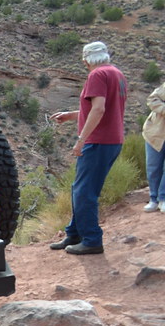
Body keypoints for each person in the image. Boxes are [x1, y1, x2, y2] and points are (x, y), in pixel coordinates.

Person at [48, 41, 128, 255]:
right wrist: (72, 115)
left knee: (84, 192)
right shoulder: (116, 73)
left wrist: (81, 139)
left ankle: (92, 239)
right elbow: (102, 107)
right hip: (112, 140)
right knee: (80, 188)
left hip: (98, 141)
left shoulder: (97, 75)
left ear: (85, 60)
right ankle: (74, 233)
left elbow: (99, 109)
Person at [141, 80, 165, 212]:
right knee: (153, 167)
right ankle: (153, 199)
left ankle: (163, 198)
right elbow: (152, 100)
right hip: (155, 133)